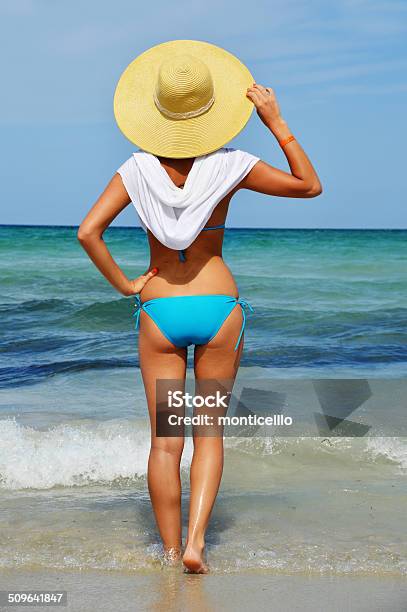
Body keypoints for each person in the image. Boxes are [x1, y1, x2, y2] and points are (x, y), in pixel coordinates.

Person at [77, 40, 322, 574]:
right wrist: (275, 121)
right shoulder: (230, 166)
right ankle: (195, 545)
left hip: (161, 311)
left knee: (166, 442)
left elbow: (88, 232)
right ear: (211, 113)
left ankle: (167, 551)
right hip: (216, 310)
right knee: (208, 433)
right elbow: (309, 186)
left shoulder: (136, 170)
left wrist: (125, 285)